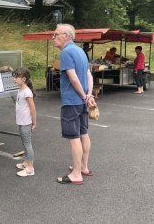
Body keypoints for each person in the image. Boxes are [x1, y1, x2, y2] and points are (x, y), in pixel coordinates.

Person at [52, 23, 97, 185]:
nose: (53, 38)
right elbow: (88, 74)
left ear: (66, 36)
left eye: (56, 35)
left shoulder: (66, 52)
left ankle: (76, 174)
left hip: (71, 102)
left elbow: (73, 78)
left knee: (74, 137)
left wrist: (84, 96)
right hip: (82, 102)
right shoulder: (80, 51)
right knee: (83, 133)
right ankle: (84, 167)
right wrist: (88, 95)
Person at [13, 67, 37, 177]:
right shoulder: (20, 90)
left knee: (27, 144)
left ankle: (30, 168)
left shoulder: (27, 92)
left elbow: (32, 108)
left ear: (23, 79)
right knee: (24, 143)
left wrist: (34, 122)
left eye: (16, 77)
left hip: (26, 122)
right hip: (21, 121)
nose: (14, 79)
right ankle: (26, 162)